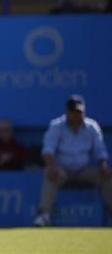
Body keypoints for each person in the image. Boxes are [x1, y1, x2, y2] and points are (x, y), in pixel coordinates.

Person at [33, 95, 112, 227]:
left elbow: (100, 151)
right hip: (62, 170)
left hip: (84, 169)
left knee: (106, 175)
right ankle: (44, 215)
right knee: (50, 172)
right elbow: (48, 150)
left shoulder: (92, 127)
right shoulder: (56, 126)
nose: (77, 115)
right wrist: (51, 165)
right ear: (67, 112)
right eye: (74, 112)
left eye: (79, 112)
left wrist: (103, 165)